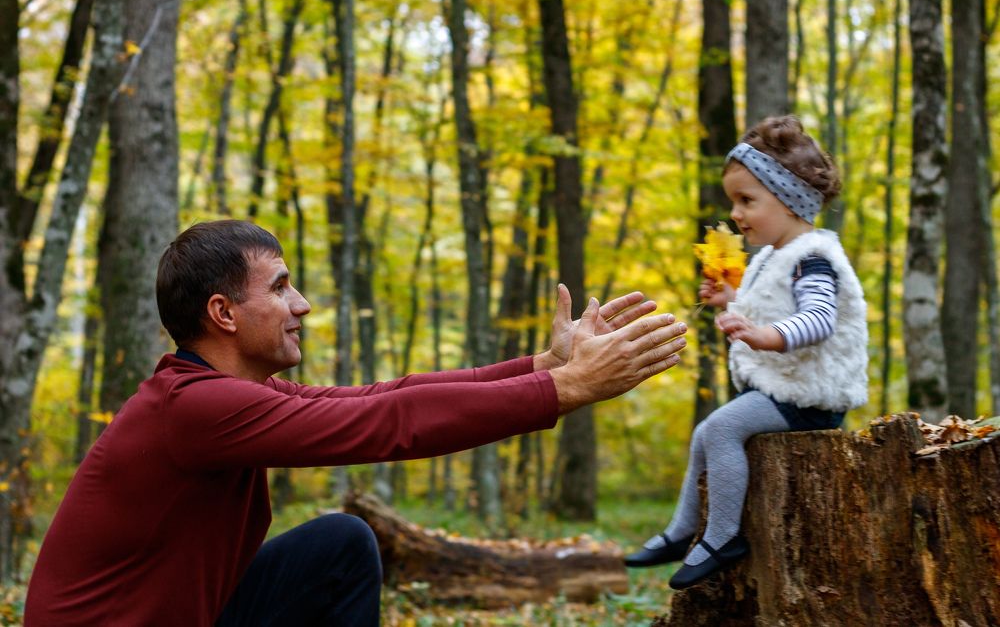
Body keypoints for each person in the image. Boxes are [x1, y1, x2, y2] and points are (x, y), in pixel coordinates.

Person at [24, 219, 688, 626]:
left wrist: (541, 365)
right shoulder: (197, 408)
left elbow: (384, 396)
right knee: (341, 544)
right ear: (223, 314)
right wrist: (566, 388)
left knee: (340, 545)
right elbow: (391, 422)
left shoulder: (223, 396)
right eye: (281, 288)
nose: (302, 304)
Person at [624, 115, 868, 589]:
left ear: (789, 199)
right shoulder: (775, 257)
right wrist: (729, 301)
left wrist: (765, 336)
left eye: (747, 201)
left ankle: (723, 537)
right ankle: (682, 531)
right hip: (785, 390)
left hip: (809, 398)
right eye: (734, 201)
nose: (735, 214)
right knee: (705, 434)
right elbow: (769, 304)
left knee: (720, 429)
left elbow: (817, 319)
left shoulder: (815, 257)